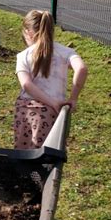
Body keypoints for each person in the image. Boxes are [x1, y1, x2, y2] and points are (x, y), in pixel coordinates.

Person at [13, 9, 87, 149]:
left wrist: (51, 102)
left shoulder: (23, 55)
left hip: (27, 111)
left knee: (24, 154)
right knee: (51, 153)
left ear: (28, 32)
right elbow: (82, 69)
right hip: (55, 112)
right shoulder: (66, 52)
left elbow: (27, 85)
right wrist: (73, 98)